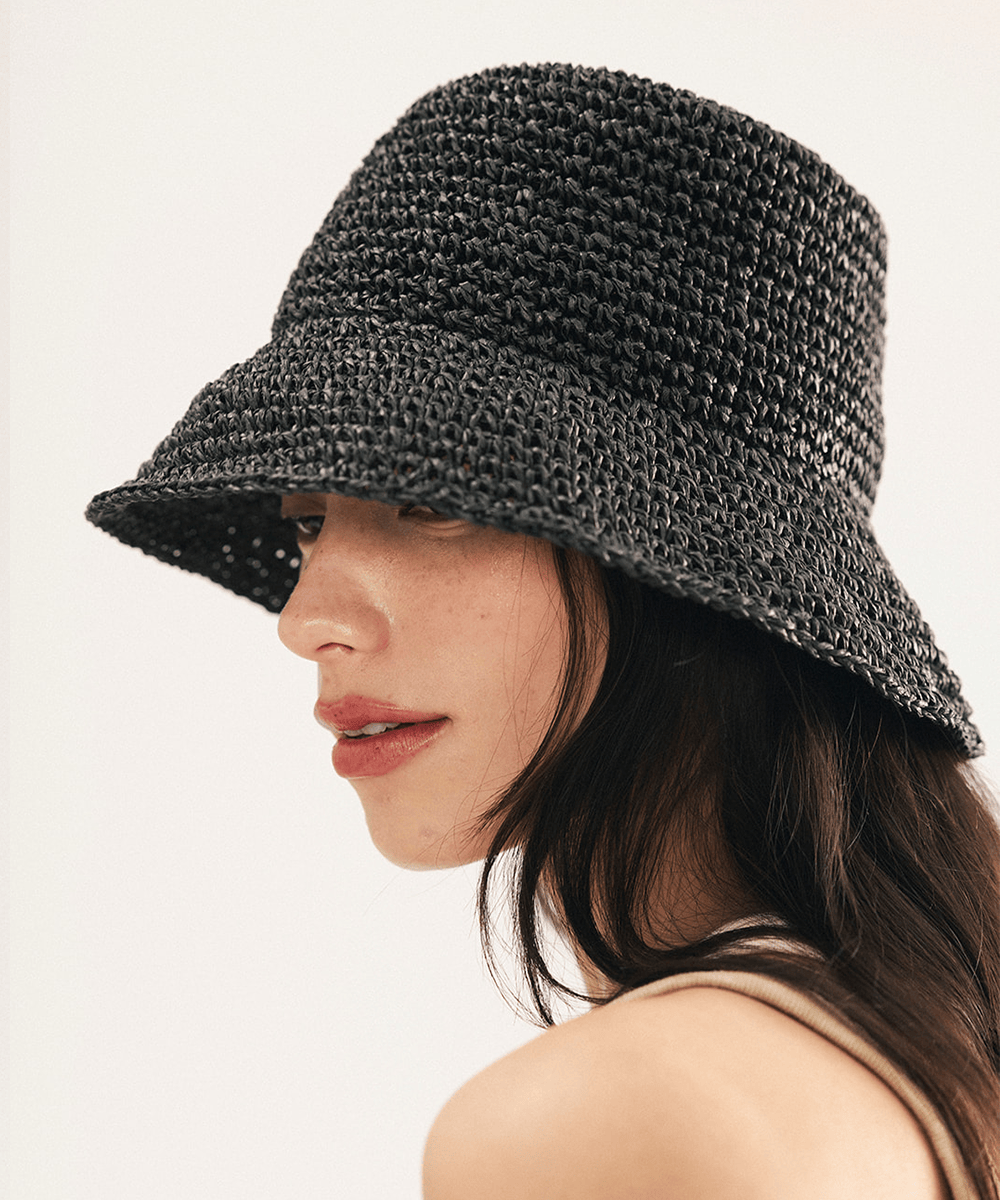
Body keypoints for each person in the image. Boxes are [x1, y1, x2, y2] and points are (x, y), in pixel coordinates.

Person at [86, 63, 999, 1199]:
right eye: (311, 519)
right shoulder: (915, 1060)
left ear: (682, 566)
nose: (306, 620)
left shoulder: (614, 1119)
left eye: (435, 499)